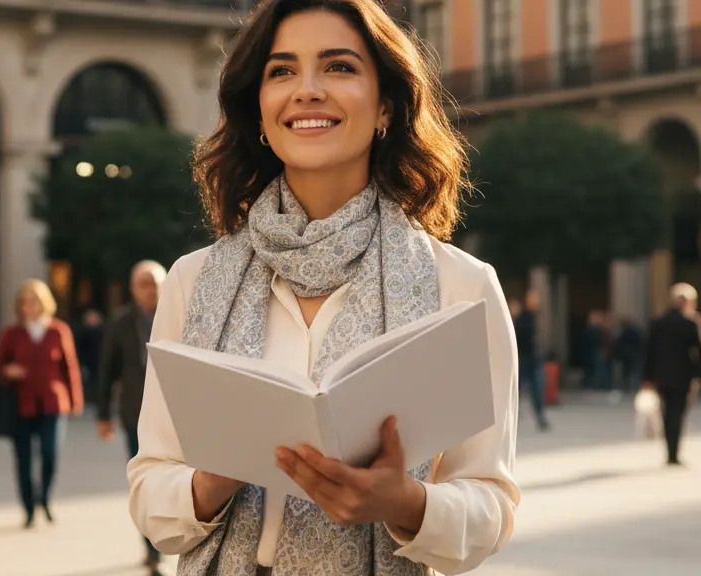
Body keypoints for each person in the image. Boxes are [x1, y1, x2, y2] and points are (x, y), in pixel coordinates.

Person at [126, 2, 520, 575]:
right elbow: (150, 486)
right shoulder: (192, 281)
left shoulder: (461, 285)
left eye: (338, 67)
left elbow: (490, 505)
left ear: (385, 105)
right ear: (258, 112)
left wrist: (406, 504)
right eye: (282, 71)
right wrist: (211, 480)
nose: (306, 90)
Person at [0, 279, 83, 528]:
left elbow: (70, 367)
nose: (29, 306)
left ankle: (45, 498)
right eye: (25, 301)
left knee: (49, 454)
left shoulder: (58, 330)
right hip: (21, 403)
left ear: (44, 302)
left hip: (53, 402)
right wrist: (8, 371)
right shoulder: (11, 333)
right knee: (22, 457)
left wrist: (76, 400)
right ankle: (29, 506)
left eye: (34, 300)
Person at [97, 260, 167, 574]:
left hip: (172, 414)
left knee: (168, 480)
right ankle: (151, 547)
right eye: (143, 283)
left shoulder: (176, 313)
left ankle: (166, 538)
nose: (149, 290)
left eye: (154, 283)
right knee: (143, 481)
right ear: (132, 288)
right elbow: (106, 369)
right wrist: (103, 414)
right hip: (134, 412)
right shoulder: (122, 321)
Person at [643, 283, 701, 466]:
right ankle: (673, 453)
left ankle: (670, 451)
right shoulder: (689, 324)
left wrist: (647, 377)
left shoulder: (659, 322)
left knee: (667, 413)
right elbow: (696, 352)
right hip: (682, 376)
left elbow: (650, 352)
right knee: (677, 413)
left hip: (661, 376)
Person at [513, 290, 550, 431]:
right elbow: (521, 338)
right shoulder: (523, 317)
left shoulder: (532, 316)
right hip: (525, 358)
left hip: (532, 359)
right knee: (520, 390)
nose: (536, 302)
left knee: (536, 390)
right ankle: (515, 417)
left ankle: (540, 417)